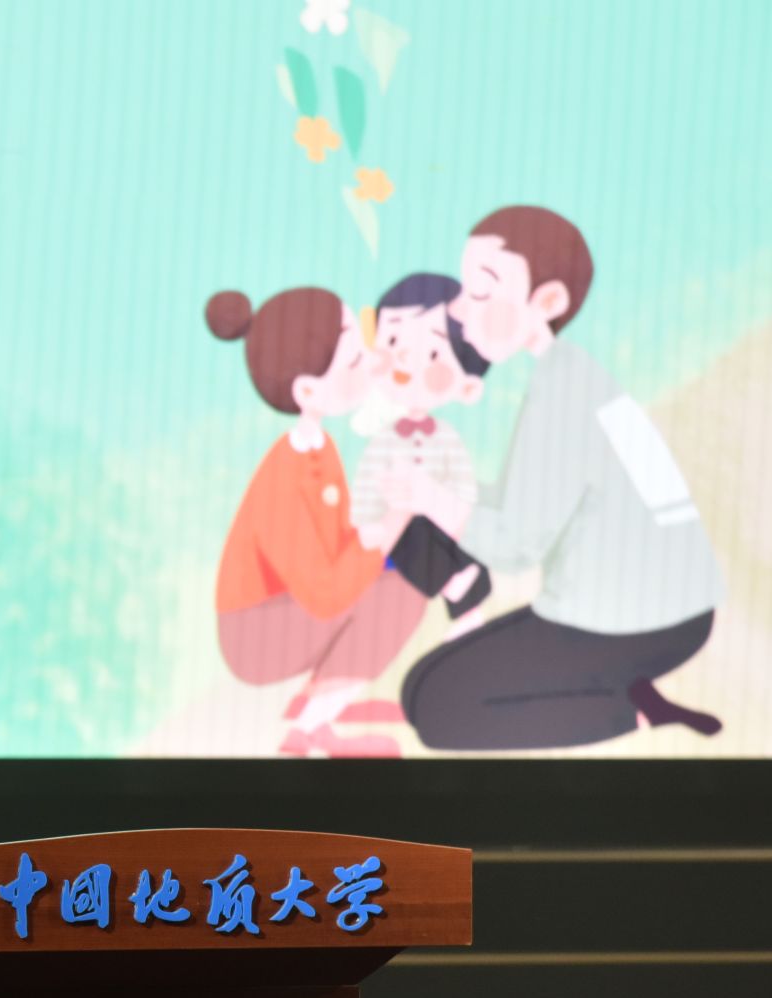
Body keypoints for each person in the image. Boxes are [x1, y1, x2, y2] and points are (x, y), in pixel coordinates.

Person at [396, 206, 725, 749]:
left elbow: (516, 546)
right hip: (658, 612)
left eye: (480, 292)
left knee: (436, 707)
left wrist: (432, 498)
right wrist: (445, 488)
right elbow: (523, 501)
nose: (457, 308)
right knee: (416, 689)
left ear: (547, 302)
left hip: (632, 622)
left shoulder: (564, 394)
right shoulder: (570, 375)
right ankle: (618, 688)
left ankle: (631, 709)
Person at [207, 286, 426, 757]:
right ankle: (306, 730)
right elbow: (325, 593)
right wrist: (393, 522)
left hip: (286, 611)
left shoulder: (319, 448)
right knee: (400, 595)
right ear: (307, 391)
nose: (371, 364)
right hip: (254, 633)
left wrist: (383, 534)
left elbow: (336, 547)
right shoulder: (286, 473)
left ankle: (318, 724)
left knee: (402, 579)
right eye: (355, 359)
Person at [350, 272, 495, 636]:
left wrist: (441, 503)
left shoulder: (445, 438)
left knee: (446, 530)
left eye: (432, 353)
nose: (405, 361)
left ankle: (467, 606)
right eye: (393, 340)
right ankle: (455, 588)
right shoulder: (384, 440)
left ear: (465, 384)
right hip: (396, 535)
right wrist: (370, 522)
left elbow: (463, 489)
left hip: (442, 525)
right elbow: (367, 485)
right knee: (410, 535)